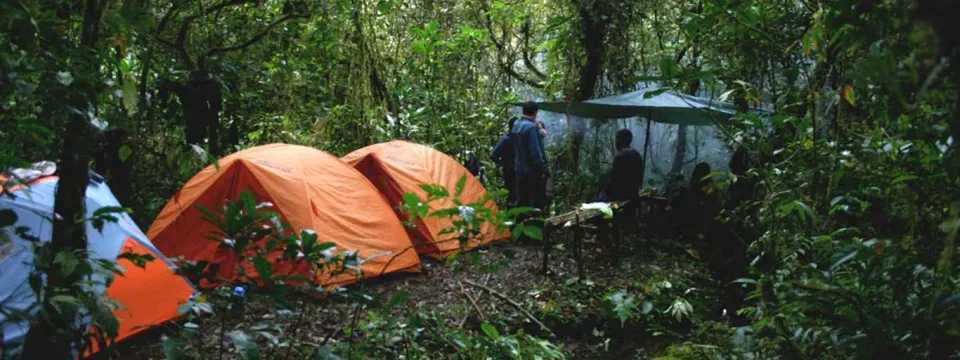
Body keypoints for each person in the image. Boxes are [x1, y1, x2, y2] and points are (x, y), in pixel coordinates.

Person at [510, 102, 549, 237]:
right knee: (536, 202)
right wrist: (544, 169)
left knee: (521, 201)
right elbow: (535, 153)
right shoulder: (531, 128)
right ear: (535, 113)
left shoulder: (516, 125)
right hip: (532, 171)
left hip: (519, 169)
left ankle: (518, 232)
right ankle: (535, 235)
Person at [491, 117, 517, 206]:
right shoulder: (507, 139)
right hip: (510, 172)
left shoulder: (518, 138)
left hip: (518, 171)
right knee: (512, 195)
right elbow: (493, 155)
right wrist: (506, 164)